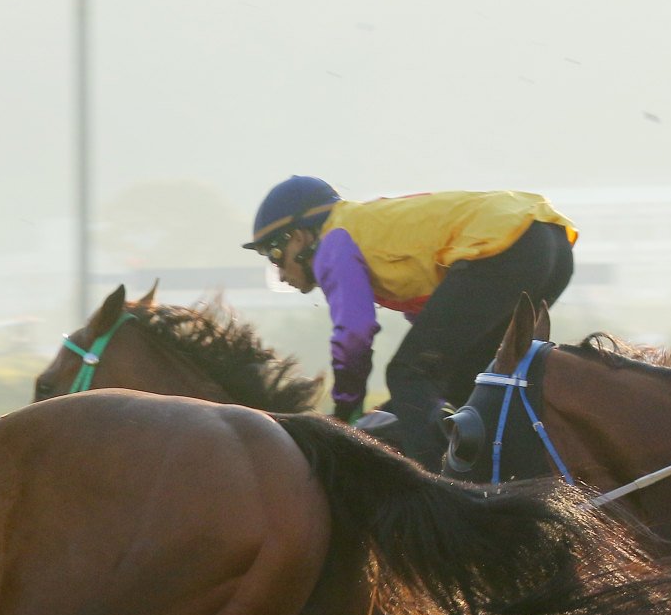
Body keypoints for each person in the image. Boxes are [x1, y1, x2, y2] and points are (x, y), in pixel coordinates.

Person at [241, 176, 577, 469]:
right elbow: (439, 334)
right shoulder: (367, 230)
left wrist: (345, 411)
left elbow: (355, 335)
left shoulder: (333, 243)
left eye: (274, 255)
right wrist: (391, 411)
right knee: (471, 380)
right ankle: (504, 474)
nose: (281, 274)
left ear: (299, 237)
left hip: (510, 244)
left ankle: (443, 495)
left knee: (407, 373)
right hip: (550, 243)